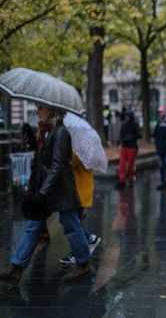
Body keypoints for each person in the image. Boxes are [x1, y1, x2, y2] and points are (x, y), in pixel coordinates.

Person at [0, 104, 91, 285]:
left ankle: (83, 263)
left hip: (61, 190)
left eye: (41, 108)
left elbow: (57, 165)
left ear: (51, 111)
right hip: (48, 188)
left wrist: (42, 193)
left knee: (71, 225)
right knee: (33, 226)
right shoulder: (47, 131)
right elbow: (43, 158)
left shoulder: (61, 132)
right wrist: (34, 142)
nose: (37, 112)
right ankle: (17, 267)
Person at [59, 153, 102, 265]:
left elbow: (71, 161)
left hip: (79, 189)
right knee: (73, 221)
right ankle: (88, 240)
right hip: (77, 188)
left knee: (72, 222)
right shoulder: (83, 145)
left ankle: (80, 252)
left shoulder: (80, 148)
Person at [116, 111, 140, 189]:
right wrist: (120, 141)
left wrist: (124, 140)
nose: (126, 118)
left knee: (131, 164)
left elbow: (136, 135)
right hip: (126, 146)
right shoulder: (124, 125)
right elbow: (121, 134)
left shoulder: (134, 125)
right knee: (122, 164)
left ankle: (130, 179)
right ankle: (122, 179)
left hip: (131, 146)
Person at [153, 105, 166, 190]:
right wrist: (157, 144)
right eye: (159, 112)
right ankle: (163, 182)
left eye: (161, 112)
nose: (160, 113)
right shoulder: (159, 122)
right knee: (161, 166)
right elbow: (155, 134)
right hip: (160, 149)